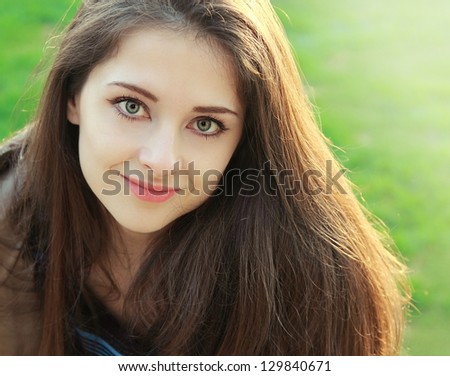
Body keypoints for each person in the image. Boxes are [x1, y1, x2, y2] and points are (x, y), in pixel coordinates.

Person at [0, 0, 409, 355]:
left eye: (207, 125)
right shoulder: (11, 220)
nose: (161, 161)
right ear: (74, 97)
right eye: (130, 106)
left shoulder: (313, 284)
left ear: (246, 136)